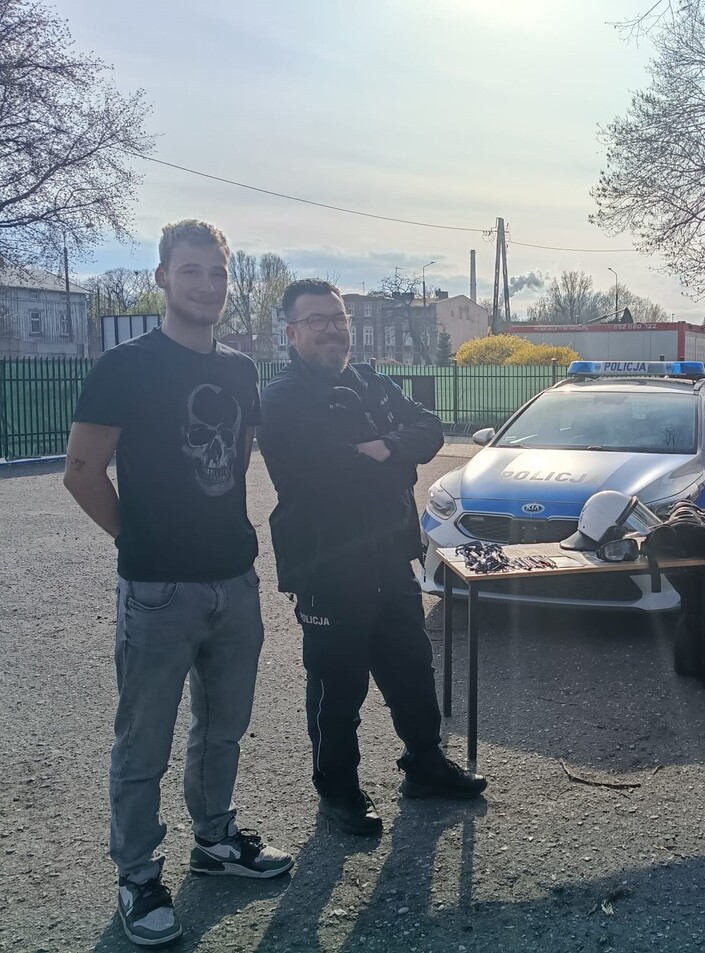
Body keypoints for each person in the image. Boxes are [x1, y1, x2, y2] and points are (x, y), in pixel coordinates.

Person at [63, 220, 293, 948]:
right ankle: (137, 874)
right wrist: (137, 541)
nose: (206, 285)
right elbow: (81, 471)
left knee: (222, 728)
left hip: (234, 579)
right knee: (143, 742)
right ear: (162, 277)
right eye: (190, 271)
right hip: (158, 588)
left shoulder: (240, 370)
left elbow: (237, 459)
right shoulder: (125, 366)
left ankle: (215, 839)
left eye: (217, 273)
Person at [258, 278, 486, 838]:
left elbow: (429, 428)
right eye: (317, 321)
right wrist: (394, 460)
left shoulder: (370, 381)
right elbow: (330, 474)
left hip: (390, 556)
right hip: (328, 566)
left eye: (339, 319)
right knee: (337, 688)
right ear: (291, 333)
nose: (333, 329)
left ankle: (424, 766)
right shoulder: (284, 399)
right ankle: (337, 790)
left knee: (411, 667)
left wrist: (385, 448)